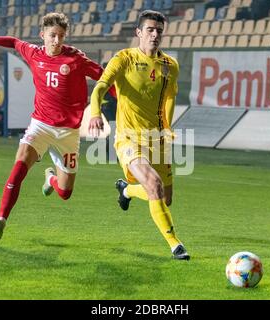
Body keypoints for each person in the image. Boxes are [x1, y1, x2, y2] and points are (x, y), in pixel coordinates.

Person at [0, 12, 110, 240]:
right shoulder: (34, 53)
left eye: (61, 36)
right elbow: (15, 42)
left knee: (64, 193)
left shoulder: (76, 59)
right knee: (19, 165)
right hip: (41, 126)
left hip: (69, 133)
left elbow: (104, 78)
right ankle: (2, 220)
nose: (57, 40)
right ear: (42, 34)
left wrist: (123, 100)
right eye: (53, 35)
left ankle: (51, 178)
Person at [88, 10, 190, 260]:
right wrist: (94, 112)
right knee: (153, 185)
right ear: (138, 33)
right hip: (128, 138)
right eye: (150, 30)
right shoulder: (123, 59)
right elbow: (100, 86)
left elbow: (169, 96)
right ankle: (175, 244)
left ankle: (127, 191)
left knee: (165, 199)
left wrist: (166, 126)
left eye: (159, 31)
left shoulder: (170, 65)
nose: (155, 35)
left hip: (158, 139)